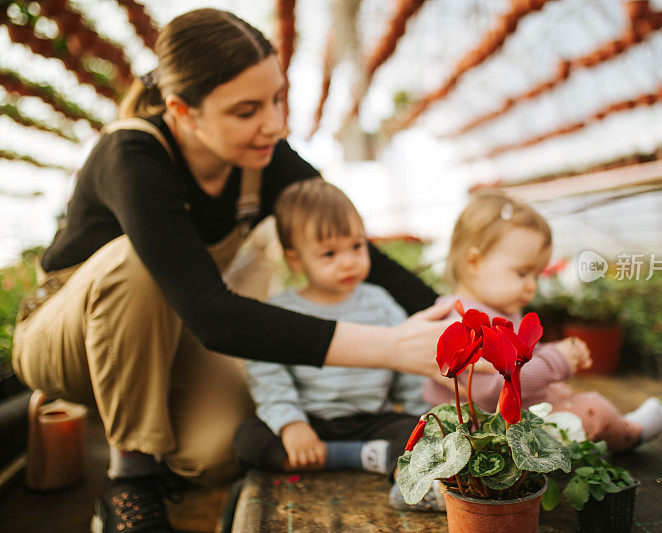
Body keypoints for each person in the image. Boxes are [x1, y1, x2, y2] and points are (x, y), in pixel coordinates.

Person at [11, 9, 450, 533]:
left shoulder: (266, 159)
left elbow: (367, 259)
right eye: (247, 110)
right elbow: (213, 316)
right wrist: (393, 347)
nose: (274, 124)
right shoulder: (132, 154)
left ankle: (162, 445)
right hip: (66, 346)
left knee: (214, 454)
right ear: (183, 110)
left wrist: (473, 331)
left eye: (277, 99)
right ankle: (129, 478)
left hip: (171, 341)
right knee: (136, 264)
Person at [233, 179, 443, 510]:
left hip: (371, 419)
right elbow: (268, 376)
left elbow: (408, 367)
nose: (348, 261)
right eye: (329, 253)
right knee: (249, 440)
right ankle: (372, 459)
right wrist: (292, 425)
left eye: (357, 247)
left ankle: (394, 473)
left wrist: (422, 413)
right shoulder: (281, 312)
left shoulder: (380, 302)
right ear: (296, 260)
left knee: (422, 434)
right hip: (310, 420)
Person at [422, 191, 662, 453]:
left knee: (559, 390)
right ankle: (627, 434)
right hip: (476, 436)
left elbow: (522, 359)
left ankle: (595, 440)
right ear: (474, 263)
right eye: (522, 272)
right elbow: (490, 392)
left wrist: (554, 355)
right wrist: (555, 360)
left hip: (502, 424)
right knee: (591, 409)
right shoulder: (461, 322)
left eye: (537, 274)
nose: (532, 286)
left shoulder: (498, 309)